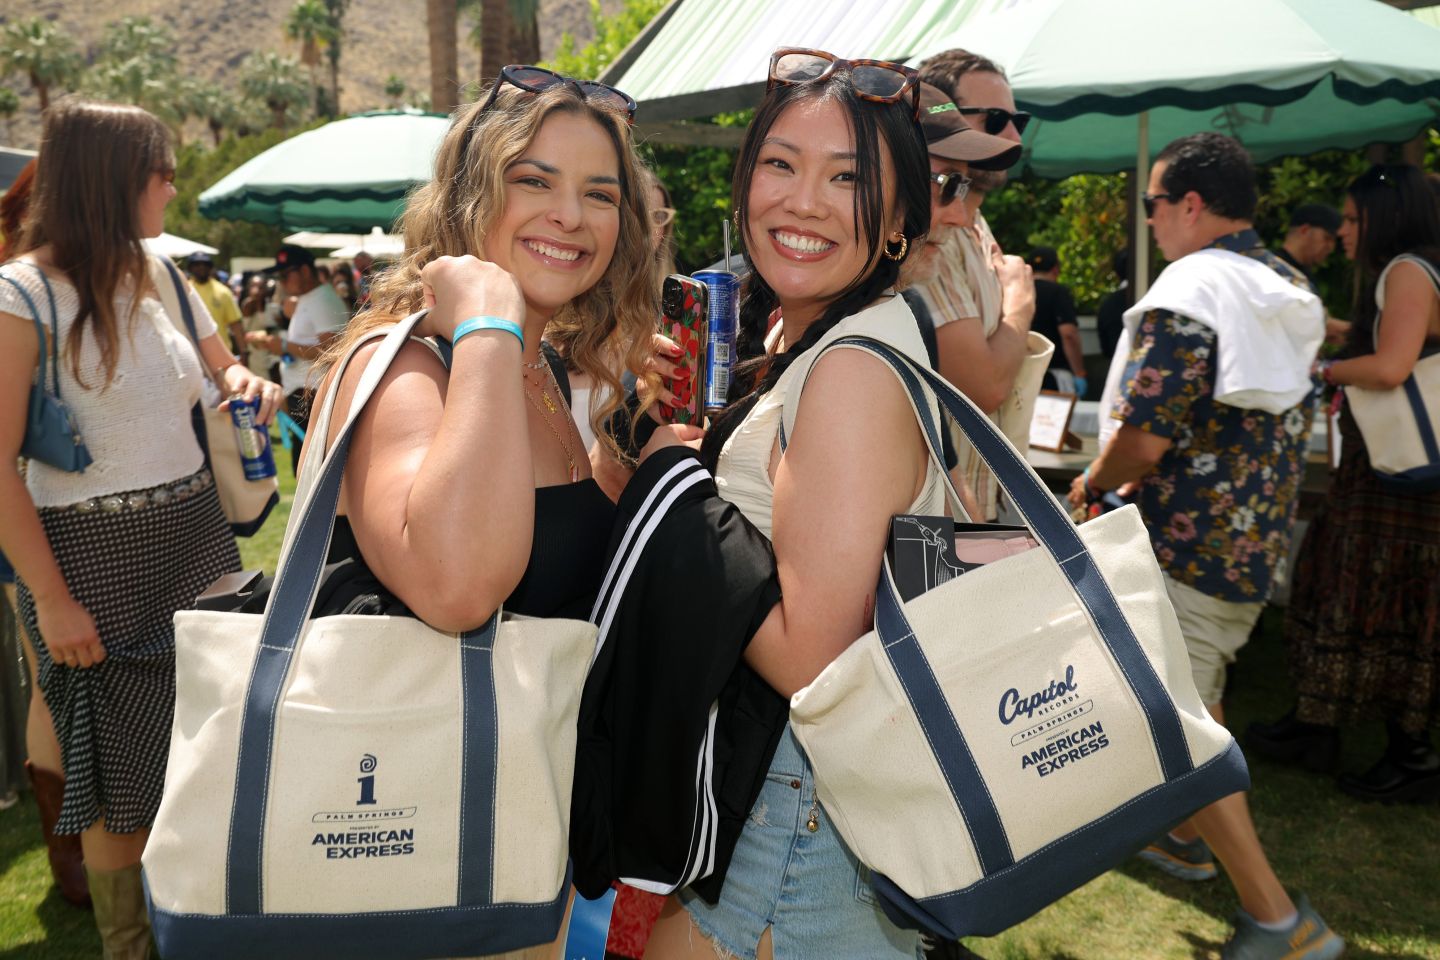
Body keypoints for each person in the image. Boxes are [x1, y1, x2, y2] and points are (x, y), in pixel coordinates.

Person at [639, 48, 940, 960]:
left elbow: (812, 654)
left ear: (896, 221)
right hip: (786, 808)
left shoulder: (851, 369)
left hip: (795, 830)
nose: (802, 201)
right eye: (780, 163)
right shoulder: (816, 337)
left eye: (848, 179)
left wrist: (672, 484)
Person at [0, 98, 281, 959]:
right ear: (110, 180)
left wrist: (249, 385)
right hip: (88, 563)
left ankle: (202, 921)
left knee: (207, 750)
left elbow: (221, 365)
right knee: (120, 780)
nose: (170, 185)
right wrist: (51, 599)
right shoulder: (22, 294)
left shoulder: (159, 270)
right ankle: (134, 946)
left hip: (195, 540)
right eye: (159, 170)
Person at [1070, 132, 1341, 960]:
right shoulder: (1288, 283)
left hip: (1181, 553)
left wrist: (1088, 488)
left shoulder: (1191, 286)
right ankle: (1187, 838)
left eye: (1152, 203)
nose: (1149, 221)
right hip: (1253, 551)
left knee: (1185, 729)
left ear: (1189, 204)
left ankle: (1278, 921)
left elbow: (1146, 436)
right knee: (1199, 702)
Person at [1248, 164, 1440, 803]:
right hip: (1394, 478)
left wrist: (1321, 369)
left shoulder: (1408, 269)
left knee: (1361, 589)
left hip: (1395, 480)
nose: (1346, 232)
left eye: (1354, 218)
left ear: (1387, 216)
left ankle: (1403, 750)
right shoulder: (1420, 267)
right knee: (1364, 589)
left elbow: (1390, 366)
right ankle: (1324, 723)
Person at [912, 48, 1041, 522]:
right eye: (994, 118)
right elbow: (984, 385)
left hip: (976, 509)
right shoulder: (928, 234)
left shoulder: (968, 216)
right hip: (938, 523)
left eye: (1017, 121)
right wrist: (1021, 305)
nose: (1011, 136)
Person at [245, 244, 351, 474]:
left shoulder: (321, 299)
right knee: (306, 471)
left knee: (313, 474)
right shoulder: (311, 298)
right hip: (305, 394)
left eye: (285, 274)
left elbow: (330, 349)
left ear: (304, 271)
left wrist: (283, 345)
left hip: (313, 394)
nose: (281, 281)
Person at [1027, 245, 1087, 396]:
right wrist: (1079, 372)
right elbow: (1068, 334)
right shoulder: (1058, 292)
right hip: (1055, 375)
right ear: (1055, 269)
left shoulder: (1016, 292)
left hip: (1022, 373)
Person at [186, 251, 244, 355]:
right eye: (197, 264)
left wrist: (243, 351)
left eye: (205, 264)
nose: (201, 267)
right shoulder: (184, 290)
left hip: (220, 353)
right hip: (192, 352)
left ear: (210, 267)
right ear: (190, 268)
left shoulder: (223, 292)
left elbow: (235, 323)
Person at [1095, 247, 1130, 361]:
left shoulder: (1107, 305)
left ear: (1116, 273)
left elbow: (1105, 348)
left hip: (1117, 368)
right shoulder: (1156, 299)